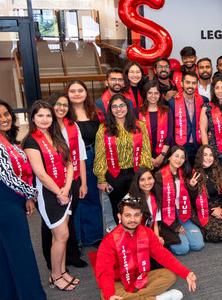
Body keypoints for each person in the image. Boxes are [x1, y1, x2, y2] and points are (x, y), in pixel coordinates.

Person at [0, 99, 58, 300]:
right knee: (23, 251)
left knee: (7, 246)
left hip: (14, 196)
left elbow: (22, 172)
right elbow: (8, 177)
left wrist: (26, 198)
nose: (4, 119)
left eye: (6, 114)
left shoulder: (6, 138)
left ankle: (7, 291)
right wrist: (33, 194)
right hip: (1, 199)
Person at [96, 196, 198, 300]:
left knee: (172, 276)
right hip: (118, 282)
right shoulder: (108, 242)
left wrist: (186, 273)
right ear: (119, 216)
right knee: (108, 297)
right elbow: (104, 273)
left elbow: (164, 257)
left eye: (136, 215)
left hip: (141, 277)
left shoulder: (147, 233)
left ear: (141, 217)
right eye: (128, 215)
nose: (132, 220)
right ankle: (159, 299)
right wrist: (110, 295)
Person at [23, 101, 77, 291]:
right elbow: (41, 174)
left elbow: (70, 162)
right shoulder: (31, 140)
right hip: (48, 195)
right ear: (33, 118)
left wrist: (67, 187)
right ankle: (55, 276)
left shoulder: (56, 136)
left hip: (64, 190)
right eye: (40, 116)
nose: (45, 119)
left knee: (63, 235)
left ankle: (62, 271)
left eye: (48, 115)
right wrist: (59, 192)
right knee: (61, 235)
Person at [94, 94, 152, 224]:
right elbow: (100, 155)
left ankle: (136, 237)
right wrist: (101, 178)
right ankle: (122, 237)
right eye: (114, 106)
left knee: (134, 207)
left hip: (135, 174)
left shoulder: (139, 126)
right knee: (118, 208)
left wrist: (144, 174)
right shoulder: (103, 129)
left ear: (127, 107)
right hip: (114, 175)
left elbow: (145, 151)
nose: (118, 109)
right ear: (110, 110)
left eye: (121, 105)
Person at [46, 92, 87, 270]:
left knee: (69, 218)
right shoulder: (44, 127)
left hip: (74, 178)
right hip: (52, 182)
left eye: (64, 105)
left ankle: (71, 254)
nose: (61, 108)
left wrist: (83, 183)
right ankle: (52, 261)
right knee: (53, 222)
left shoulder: (72, 126)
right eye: (57, 104)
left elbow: (81, 156)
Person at [66, 79, 104, 245]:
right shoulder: (64, 114)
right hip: (71, 160)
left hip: (94, 156)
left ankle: (93, 236)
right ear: (67, 94)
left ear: (86, 92)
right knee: (75, 198)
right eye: (72, 91)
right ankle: (77, 239)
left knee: (92, 196)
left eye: (80, 90)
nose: (76, 94)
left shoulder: (95, 112)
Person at [186, 145, 222, 243]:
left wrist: (219, 208)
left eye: (211, 155)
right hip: (203, 210)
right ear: (200, 157)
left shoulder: (219, 171)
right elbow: (192, 201)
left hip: (219, 206)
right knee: (215, 233)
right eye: (205, 155)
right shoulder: (193, 174)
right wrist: (192, 187)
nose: (208, 158)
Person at [155, 146, 204, 255]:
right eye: (176, 156)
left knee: (198, 244)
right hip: (168, 217)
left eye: (182, 157)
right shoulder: (159, 176)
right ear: (169, 157)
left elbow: (192, 199)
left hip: (184, 213)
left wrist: (192, 187)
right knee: (183, 249)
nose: (179, 160)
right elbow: (158, 205)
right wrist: (176, 226)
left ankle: (185, 233)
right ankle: (175, 234)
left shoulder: (184, 173)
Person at [169, 71, 208, 167]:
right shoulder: (172, 102)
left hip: (198, 145)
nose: (190, 85)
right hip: (180, 147)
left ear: (197, 85)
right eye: (187, 82)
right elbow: (170, 127)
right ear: (182, 84)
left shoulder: (204, 100)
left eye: (193, 83)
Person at [137, 80, 174, 170]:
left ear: (160, 95)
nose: (153, 96)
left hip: (163, 155)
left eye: (156, 93)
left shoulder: (167, 111)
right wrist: (147, 157)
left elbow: (169, 135)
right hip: (143, 157)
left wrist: (162, 155)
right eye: (150, 93)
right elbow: (135, 138)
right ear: (145, 94)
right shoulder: (137, 112)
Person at [129, 167, 161, 241]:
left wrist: (157, 240)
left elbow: (155, 224)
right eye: (142, 180)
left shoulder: (154, 197)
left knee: (160, 242)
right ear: (137, 182)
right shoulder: (130, 198)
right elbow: (127, 226)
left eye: (149, 178)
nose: (147, 182)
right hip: (130, 235)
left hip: (145, 233)